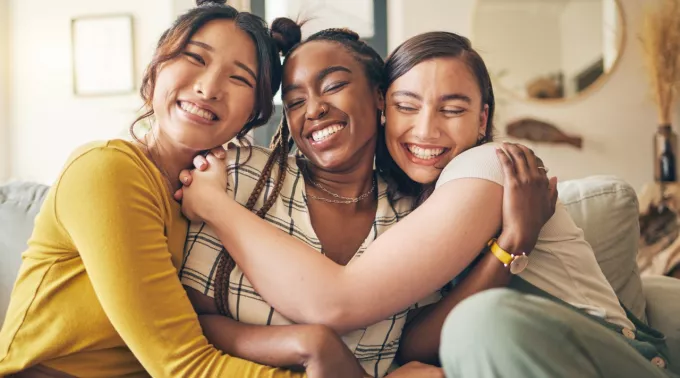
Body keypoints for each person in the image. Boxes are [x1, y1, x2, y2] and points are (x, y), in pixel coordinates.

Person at [179, 30, 677, 377]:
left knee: (480, 324)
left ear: (483, 119)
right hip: (509, 352)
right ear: (386, 106)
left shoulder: (487, 167)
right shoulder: (415, 206)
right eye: (407, 106)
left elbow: (337, 302)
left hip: (603, 353)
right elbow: (415, 342)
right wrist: (509, 246)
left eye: (452, 109)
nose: (425, 130)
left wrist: (217, 207)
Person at [0, 2, 363, 377]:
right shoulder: (107, 169)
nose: (208, 88)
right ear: (156, 69)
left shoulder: (225, 190)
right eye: (195, 58)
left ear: (253, 114)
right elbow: (184, 366)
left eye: (239, 79)